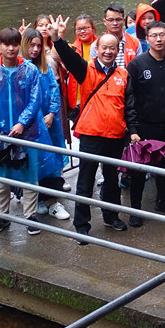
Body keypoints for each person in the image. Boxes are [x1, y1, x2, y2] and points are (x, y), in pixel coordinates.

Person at [51, 19, 139, 238]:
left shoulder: (123, 75)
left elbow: (130, 106)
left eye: (112, 48)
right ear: (97, 50)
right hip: (91, 134)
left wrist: (134, 130)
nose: (108, 52)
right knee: (85, 180)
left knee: (112, 180)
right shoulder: (87, 70)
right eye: (104, 48)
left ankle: (111, 216)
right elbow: (70, 59)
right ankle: (82, 225)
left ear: (117, 51)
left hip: (116, 136)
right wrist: (57, 39)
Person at [0, 27, 53, 235]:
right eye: (6, 44)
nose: (11, 48)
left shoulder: (30, 70)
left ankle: (31, 216)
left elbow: (35, 100)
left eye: (14, 44)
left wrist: (22, 123)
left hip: (27, 131)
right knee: (1, 177)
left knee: (30, 174)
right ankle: (2, 216)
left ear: (20, 45)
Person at [126, 20, 165, 225]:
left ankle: (164, 200)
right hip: (144, 125)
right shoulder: (137, 64)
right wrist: (132, 128)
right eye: (154, 35)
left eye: (162, 35)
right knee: (139, 170)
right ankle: (135, 209)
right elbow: (129, 98)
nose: (159, 39)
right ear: (147, 38)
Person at [21, 29, 70, 222]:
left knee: (52, 160)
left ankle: (52, 201)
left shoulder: (45, 68)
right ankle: (39, 200)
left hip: (49, 123)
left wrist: (51, 113)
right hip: (29, 125)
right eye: (31, 45)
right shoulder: (19, 68)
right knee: (33, 162)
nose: (35, 49)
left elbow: (53, 89)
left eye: (38, 45)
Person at [90, 3, 141, 68]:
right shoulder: (96, 45)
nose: (115, 23)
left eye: (118, 19)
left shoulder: (135, 42)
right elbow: (93, 70)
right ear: (105, 22)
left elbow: (139, 67)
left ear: (123, 21)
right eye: (111, 20)